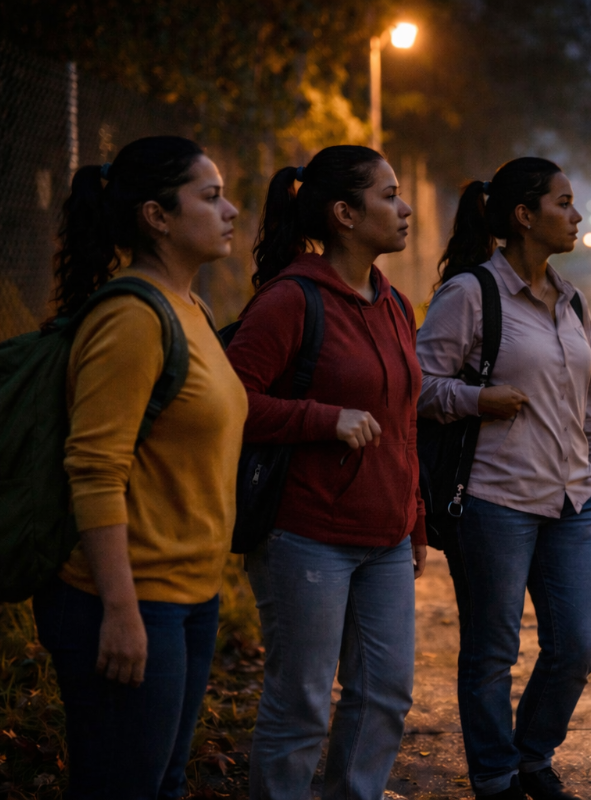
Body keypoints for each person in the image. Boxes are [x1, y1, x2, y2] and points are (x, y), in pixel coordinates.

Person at [32, 136, 248, 800]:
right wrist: (121, 614)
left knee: (162, 783)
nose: (231, 211)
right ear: (157, 216)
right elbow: (94, 470)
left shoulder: (193, 309)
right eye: (210, 198)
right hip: (126, 601)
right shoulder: (131, 318)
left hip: (189, 598)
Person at [224, 145, 425, 800]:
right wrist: (321, 418)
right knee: (302, 703)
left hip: (387, 538)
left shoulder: (394, 304)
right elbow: (229, 403)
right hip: (306, 533)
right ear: (344, 213)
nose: (405, 209)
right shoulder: (290, 300)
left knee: (385, 694)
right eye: (389, 195)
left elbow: (404, 421)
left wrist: (414, 518)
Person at [416, 157, 591, 800]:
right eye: (564, 202)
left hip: (572, 500)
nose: (576, 215)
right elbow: (416, 387)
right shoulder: (471, 293)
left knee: (575, 646)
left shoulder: (572, 298)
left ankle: (533, 756)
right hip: (495, 501)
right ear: (525, 216)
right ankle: (496, 777)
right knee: (491, 654)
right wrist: (478, 400)